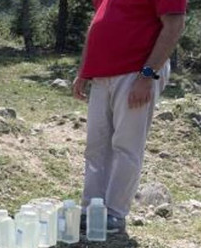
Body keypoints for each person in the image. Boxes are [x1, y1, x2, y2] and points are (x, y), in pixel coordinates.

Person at [72, 0, 186, 233]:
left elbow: (174, 24)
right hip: (103, 73)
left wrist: (147, 75)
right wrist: (84, 69)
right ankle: (91, 209)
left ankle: (114, 213)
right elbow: (97, 24)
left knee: (126, 145)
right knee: (96, 146)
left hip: (137, 72)